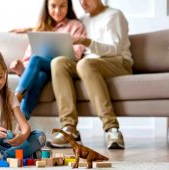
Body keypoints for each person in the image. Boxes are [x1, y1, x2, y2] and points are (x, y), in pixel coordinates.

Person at [49, 0, 133, 149]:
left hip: (117, 61)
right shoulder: (83, 20)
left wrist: (86, 41)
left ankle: (111, 128)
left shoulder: (113, 15)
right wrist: (27, 29)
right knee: (58, 62)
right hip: (88, 64)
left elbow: (114, 49)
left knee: (85, 64)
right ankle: (69, 128)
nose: (83, 2)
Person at [9, 0, 86, 120]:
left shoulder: (76, 26)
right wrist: (22, 68)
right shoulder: (40, 28)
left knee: (37, 59)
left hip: (63, 68)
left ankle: (16, 97)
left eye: (62, 6)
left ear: (68, 6)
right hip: (43, 69)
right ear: (47, 7)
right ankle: (23, 122)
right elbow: (29, 57)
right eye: (53, 6)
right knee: (40, 76)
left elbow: (76, 54)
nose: (57, 11)